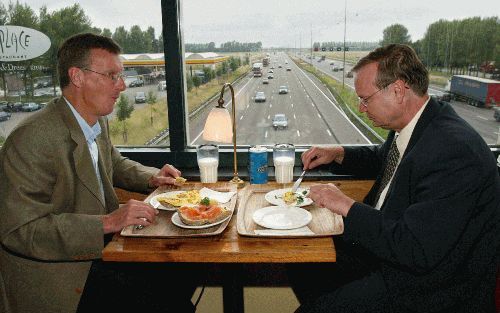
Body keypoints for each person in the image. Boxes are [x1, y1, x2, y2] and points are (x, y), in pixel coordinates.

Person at [291, 44, 500, 313]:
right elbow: (387, 158)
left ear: (399, 91)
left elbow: (416, 248)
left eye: (366, 99)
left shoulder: (454, 153)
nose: (361, 107)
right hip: (391, 252)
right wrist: (338, 153)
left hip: (429, 286)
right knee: (302, 261)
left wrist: (345, 205)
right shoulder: (416, 124)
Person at [0, 33, 198, 313]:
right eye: (112, 75)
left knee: (185, 270)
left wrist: (152, 177)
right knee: (172, 304)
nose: (122, 85)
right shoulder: (31, 138)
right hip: (61, 277)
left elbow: (113, 162)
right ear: (77, 77)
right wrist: (106, 222)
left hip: (99, 253)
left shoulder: (95, 121)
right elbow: (20, 231)